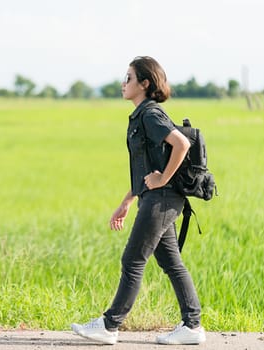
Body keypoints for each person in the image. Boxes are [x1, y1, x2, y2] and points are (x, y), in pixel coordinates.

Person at [71, 56, 206, 345]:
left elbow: (182, 144)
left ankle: (109, 325)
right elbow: (147, 166)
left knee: (132, 259)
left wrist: (163, 180)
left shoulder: (150, 115)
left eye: (129, 78)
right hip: (155, 198)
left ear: (145, 83)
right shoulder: (141, 115)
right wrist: (127, 201)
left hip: (163, 199)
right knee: (171, 262)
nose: (124, 83)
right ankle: (192, 326)